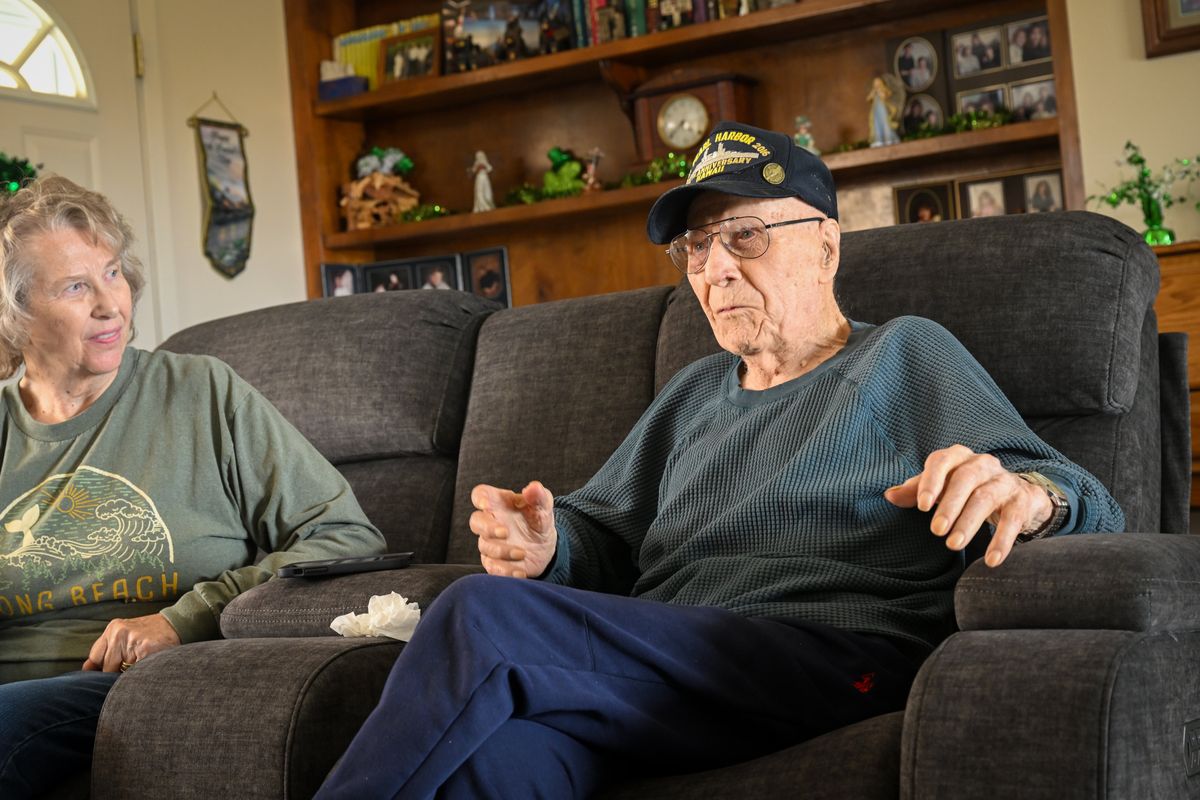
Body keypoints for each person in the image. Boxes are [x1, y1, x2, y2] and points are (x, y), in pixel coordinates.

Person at [314, 122, 1125, 798]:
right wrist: (549, 546)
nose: (715, 269)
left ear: (827, 249)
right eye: (698, 248)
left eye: (746, 236)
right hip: (678, 672)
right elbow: (601, 533)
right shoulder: (696, 391)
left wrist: (1031, 494)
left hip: (826, 656)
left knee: (476, 615)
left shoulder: (905, 355)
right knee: (497, 762)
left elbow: (1083, 497)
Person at [0, 176, 385, 797]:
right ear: (15, 315)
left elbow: (345, 537)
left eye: (114, 273)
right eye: (76, 287)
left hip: (139, 683)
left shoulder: (200, 393)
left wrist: (185, 619)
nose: (111, 305)